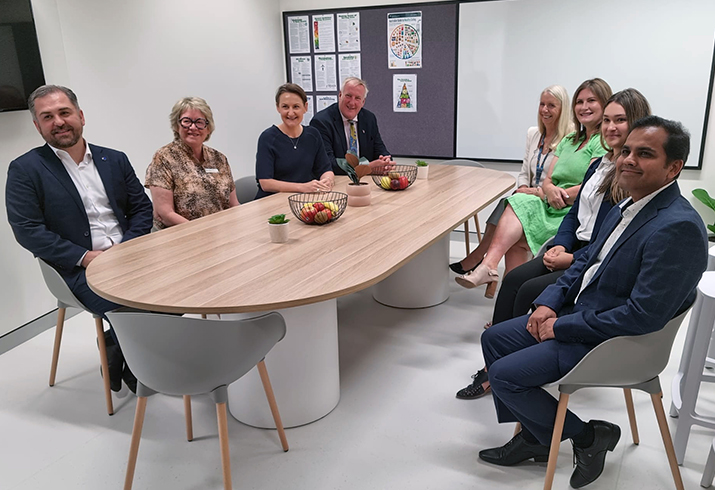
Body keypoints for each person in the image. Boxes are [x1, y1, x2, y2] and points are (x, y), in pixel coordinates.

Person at [478, 116, 708, 489]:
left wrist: (561, 326)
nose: (628, 159)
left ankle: (588, 437)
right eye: (627, 151)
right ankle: (537, 438)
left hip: (615, 342)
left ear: (674, 168)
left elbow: (641, 316)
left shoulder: (677, 228)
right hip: (586, 317)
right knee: (494, 340)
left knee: (506, 377)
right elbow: (586, 262)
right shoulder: (626, 206)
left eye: (644, 154)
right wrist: (548, 303)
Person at [457, 88, 651, 400]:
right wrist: (559, 245)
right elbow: (574, 215)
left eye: (621, 120)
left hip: (590, 258)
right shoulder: (598, 165)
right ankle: (495, 364)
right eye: (609, 121)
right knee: (514, 280)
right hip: (572, 245)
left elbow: (611, 243)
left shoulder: (629, 175)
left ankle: (517, 368)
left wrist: (570, 259)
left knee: (530, 291)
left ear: (638, 125)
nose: (611, 127)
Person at [5, 85, 153, 393]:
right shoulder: (25, 170)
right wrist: (85, 257)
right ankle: (146, 365)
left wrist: (128, 248)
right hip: (81, 269)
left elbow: (142, 209)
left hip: (131, 256)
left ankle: (113, 346)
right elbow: (27, 229)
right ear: (37, 126)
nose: (58, 121)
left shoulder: (115, 159)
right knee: (139, 307)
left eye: (64, 112)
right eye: (47, 117)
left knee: (181, 289)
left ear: (80, 116)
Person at [456, 79, 612, 297]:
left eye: (591, 101)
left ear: (605, 104)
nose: (584, 107)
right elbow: (548, 179)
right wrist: (548, 190)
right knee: (516, 211)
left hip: (570, 212)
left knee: (516, 220)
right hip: (549, 204)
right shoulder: (569, 140)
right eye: (580, 101)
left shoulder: (603, 142)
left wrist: (560, 194)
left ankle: (488, 270)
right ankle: (496, 281)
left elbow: (593, 184)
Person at [450, 85, 573, 275]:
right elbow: (524, 171)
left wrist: (534, 192)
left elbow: (563, 181)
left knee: (512, 204)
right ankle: (487, 264)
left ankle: (481, 259)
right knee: (508, 203)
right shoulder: (534, 133)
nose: (545, 110)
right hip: (528, 198)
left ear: (563, 109)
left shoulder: (570, 139)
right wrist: (523, 186)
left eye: (551, 106)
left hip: (548, 202)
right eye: (542, 104)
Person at [145, 97, 239, 230]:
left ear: (208, 128)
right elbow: (165, 213)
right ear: (177, 126)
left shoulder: (219, 158)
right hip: (182, 236)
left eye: (199, 122)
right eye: (186, 121)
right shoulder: (163, 158)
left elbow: (233, 204)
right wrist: (201, 231)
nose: (193, 127)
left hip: (221, 231)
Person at [255, 83, 335, 199]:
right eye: (285, 107)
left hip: (303, 200)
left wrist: (327, 180)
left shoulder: (313, 135)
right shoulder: (267, 138)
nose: (291, 113)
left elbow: (326, 169)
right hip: (272, 202)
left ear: (305, 107)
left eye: (296, 107)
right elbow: (266, 183)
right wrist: (303, 187)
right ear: (278, 107)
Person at [310, 77, 392, 176]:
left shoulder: (369, 119)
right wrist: (365, 168)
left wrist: (386, 162)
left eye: (357, 98)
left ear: (363, 102)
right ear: (340, 95)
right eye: (348, 96)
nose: (352, 102)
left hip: (365, 181)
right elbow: (327, 162)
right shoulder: (321, 122)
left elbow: (380, 149)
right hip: (337, 181)